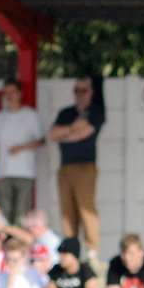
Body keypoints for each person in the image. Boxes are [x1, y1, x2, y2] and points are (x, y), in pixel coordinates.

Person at [48, 76, 104, 260]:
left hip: (85, 167)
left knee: (86, 209)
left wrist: (66, 133)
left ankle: (92, 252)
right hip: (65, 167)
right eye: (77, 90)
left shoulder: (95, 112)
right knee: (67, 212)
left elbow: (84, 132)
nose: (80, 95)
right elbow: (53, 134)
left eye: (84, 90)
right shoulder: (67, 113)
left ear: (91, 92)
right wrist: (73, 128)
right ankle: (71, 252)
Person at [0, 79, 43, 227]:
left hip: (25, 172)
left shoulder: (31, 115)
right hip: (3, 172)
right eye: (6, 92)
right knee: (4, 213)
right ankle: (6, 246)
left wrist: (22, 147)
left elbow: (41, 141)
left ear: (20, 93)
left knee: (22, 213)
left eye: (12, 92)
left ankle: (19, 247)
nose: (9, 96)